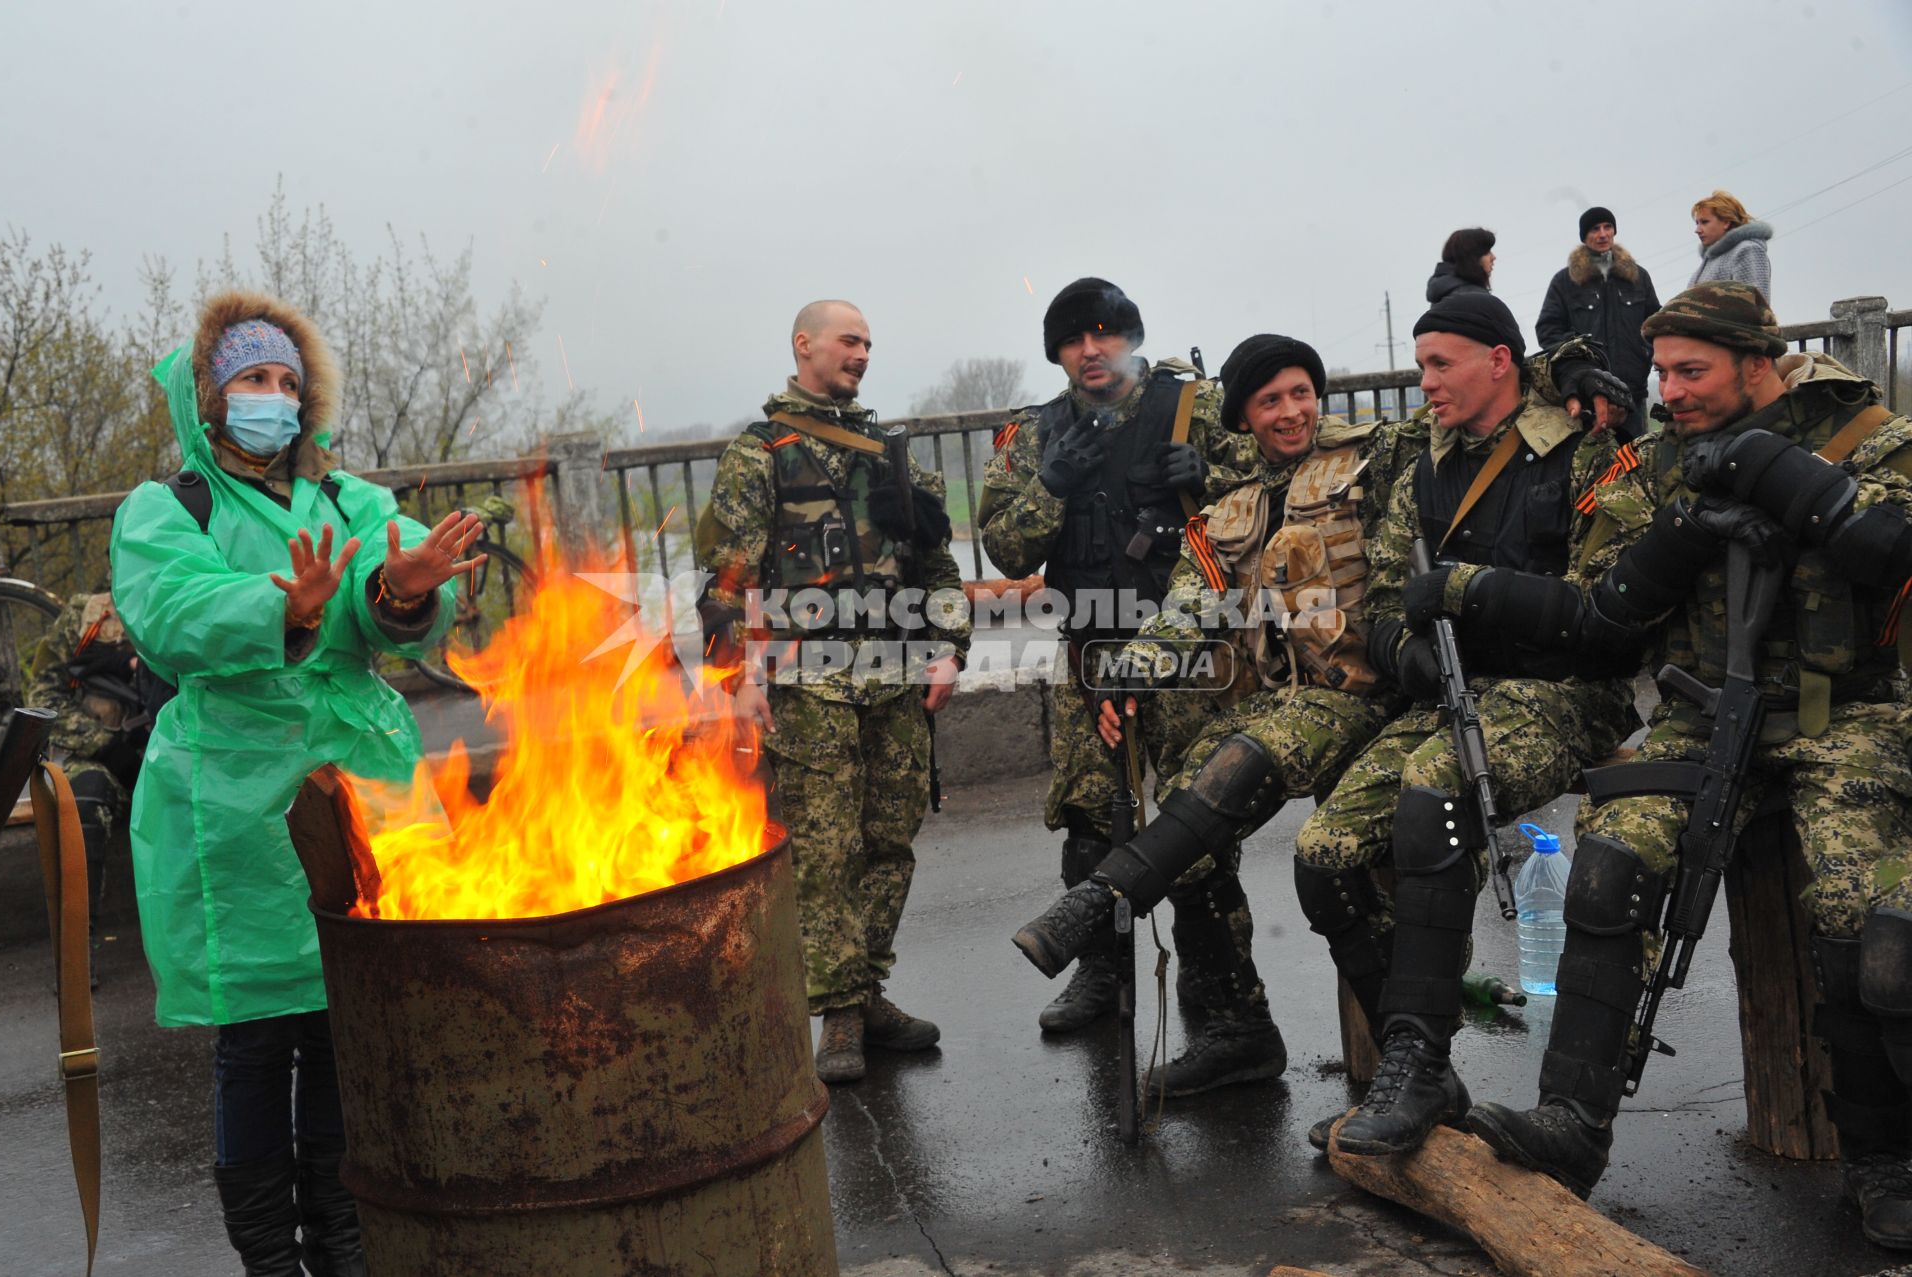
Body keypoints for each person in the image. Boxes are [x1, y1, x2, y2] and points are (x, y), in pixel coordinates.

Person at [1011, 330, 1630, 1099]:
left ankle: (1103, 900)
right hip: (1282, 694)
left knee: (1258, 765)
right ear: (1242, 416)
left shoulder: (1377, 454)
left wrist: (1562, 365)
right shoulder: (1221, 512)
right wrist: (1127, 677)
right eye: (1270, 399)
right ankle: (1239, 1029)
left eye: (1302, 392)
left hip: (1370, 688)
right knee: (1190, 809)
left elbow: (1482, 395)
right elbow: (1187, 608)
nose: (1291, 411)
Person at [1466, 283, 1912, 1251]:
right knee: (1610, 856)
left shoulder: (1867, 428)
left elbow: (1895, 547)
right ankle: (1571, 1123)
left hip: (1850, 717)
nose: (1668, 389)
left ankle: (1882, 1156)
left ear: (1758, 360)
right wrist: (1685, 526)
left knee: (1856, 913)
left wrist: (1773, 471)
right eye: (1660, 369)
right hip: (1704, 710)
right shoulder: (1656, 457)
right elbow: (1599, 611)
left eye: (1690, 370)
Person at [110, 290, 483, 1276]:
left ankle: (344, 1229)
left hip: (358, 784)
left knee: (338, 1021)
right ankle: (270, 1253)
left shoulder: (351, 500)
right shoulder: (167, 509)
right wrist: (284, 602)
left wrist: (402, 589)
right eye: (251, 378)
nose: (271, 397)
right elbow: (171, 613)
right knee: (254, 1035)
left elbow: (395, 590)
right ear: (209, 394)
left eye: (286, 380)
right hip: (234, 798)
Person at [1291, 291, 1643, 1155]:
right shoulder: (1424, 457)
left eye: (1440, 365)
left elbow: (1619, 607)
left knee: (1434, 792)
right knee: (1321, 857)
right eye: (1420, 366)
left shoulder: (1585, 441)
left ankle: (1415, 1057)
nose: (1426, 383)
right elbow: (1377, 594)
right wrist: (1399, 647)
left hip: (1561, 691)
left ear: (1499, 362)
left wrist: (1571, 372)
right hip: (1455, 689)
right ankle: (1423, 1062)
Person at [694, 299, 971, 1087]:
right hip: (806, 688)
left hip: (895, 680)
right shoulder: (759, 454)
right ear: (804, 344)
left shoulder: (891, 451)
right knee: (823, 853)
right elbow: (728, 578)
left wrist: (948, 650)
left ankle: (867, 990)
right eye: (849, 340)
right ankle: (840, 1012)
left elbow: (938, 566)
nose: (861, 354)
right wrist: (736, 677)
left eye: (870, 344)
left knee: (890, 841)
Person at [979, 277, 1259, 1038]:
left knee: (1197, 833)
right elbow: (1005, 547)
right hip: (1091, 659)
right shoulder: (1033, 434)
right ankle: (1099, 975)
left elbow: (1264, 497)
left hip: (1186, 659)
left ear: (1130, 337)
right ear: (1058, 353)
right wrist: (1051, 487)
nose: (1090, 349)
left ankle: (1223, 1008)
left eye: (1104, 333)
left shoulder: (1189, 409)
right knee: (1088, 824)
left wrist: (1208, 484)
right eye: (1073, 339)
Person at [24, 590, 148, 986]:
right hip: (100, 754)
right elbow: (43, 696)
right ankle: (77, 954)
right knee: (84, 805)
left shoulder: (182, 596)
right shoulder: (87, 614)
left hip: (173, 747)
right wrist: (105, 745)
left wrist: (134, 665)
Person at [1536, 206, 1661, 440]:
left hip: (1632, 393)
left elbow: (1656, 324)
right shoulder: (1565, 281)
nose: (1603, 234)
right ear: (1584, 237)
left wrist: (1646, 356)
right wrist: (1576, 360)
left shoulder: (1638, 277)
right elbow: (1548, 330)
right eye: (1595, 229)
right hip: (1587, 397)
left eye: (1608, 227)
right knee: (1591, 469)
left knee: (1636, 464)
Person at [1689, 190, 1773, 301]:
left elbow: (1753, 305)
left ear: (1726, 222)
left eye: (1704, 222)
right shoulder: (1710, 259)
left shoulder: (1747, 250)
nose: (1697, 230)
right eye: (1697, 223)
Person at [1426, 228, 1497, 303]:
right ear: (1471, 257)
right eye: (1487, 252)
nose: (1493, 257)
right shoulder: (1473, 298)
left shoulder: (1443, 295)